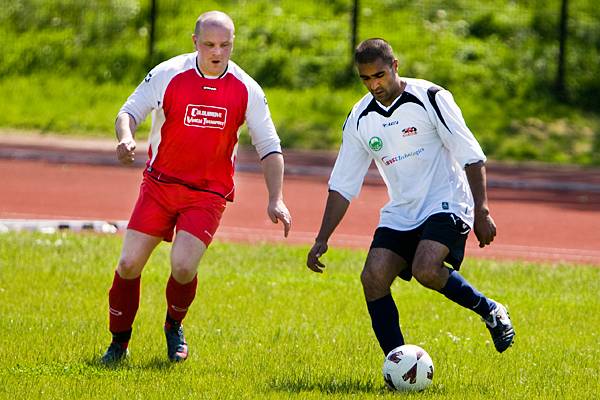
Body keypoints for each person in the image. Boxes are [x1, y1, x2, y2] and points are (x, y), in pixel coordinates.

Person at [101, 10, 291, 364]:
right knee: (128, 264)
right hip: (159, 184)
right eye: (209, 44)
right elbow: (128, 111)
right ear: (195, 42)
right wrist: (126, 138)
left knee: (184, 266)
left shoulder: (246, 88)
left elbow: (269, 145)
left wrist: (276, 198)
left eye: (224, 45)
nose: (217, 52)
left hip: (207, 193)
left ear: (233, 44)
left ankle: (174, 326)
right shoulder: (169, 73)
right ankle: (118, 344)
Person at [306, 38, 515, 361]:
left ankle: (490, 310)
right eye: (366, 79)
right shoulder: (360, 118)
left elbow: (471, 155)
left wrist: (481, 210)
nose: (374, 85)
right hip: (402, 210)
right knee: (372, 278)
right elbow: (343, 183)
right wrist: (322, 238)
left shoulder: (431, 97)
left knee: (426, 268)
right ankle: (399, 364)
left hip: (446, 200)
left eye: (379, 75)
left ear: (395, 66)